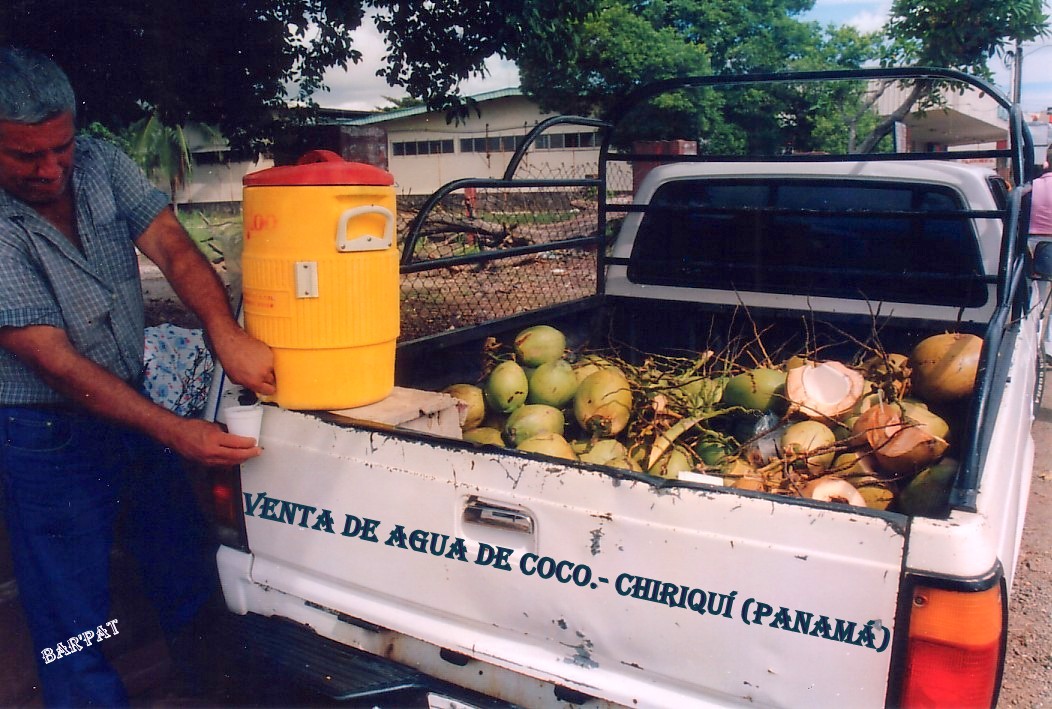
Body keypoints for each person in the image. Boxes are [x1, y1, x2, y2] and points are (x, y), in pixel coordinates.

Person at [0, 47, 276, 706]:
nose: (51, 168)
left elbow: (174, 247)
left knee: (186, 574)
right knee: (74, 625)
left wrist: (225, 333)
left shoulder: (100, 161)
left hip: (132, 403)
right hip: (46, 433)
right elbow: (57, 361)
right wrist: (177, 432)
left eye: (59, 148)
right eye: (25, 156)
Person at [1031, 144, 1052, 360]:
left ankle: (1033, 342)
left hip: (1030, 244)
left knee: (1034, 298)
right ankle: (1049, 347)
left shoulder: (1031, 186)